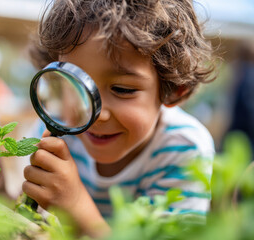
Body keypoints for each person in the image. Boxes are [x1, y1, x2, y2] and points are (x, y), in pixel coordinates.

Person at [21, 0, 216, 237]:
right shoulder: (58, 124)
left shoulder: (184, 148)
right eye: (75, 85)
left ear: (175, 89)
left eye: (122, 89)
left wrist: (77, 206)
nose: (97, 115)